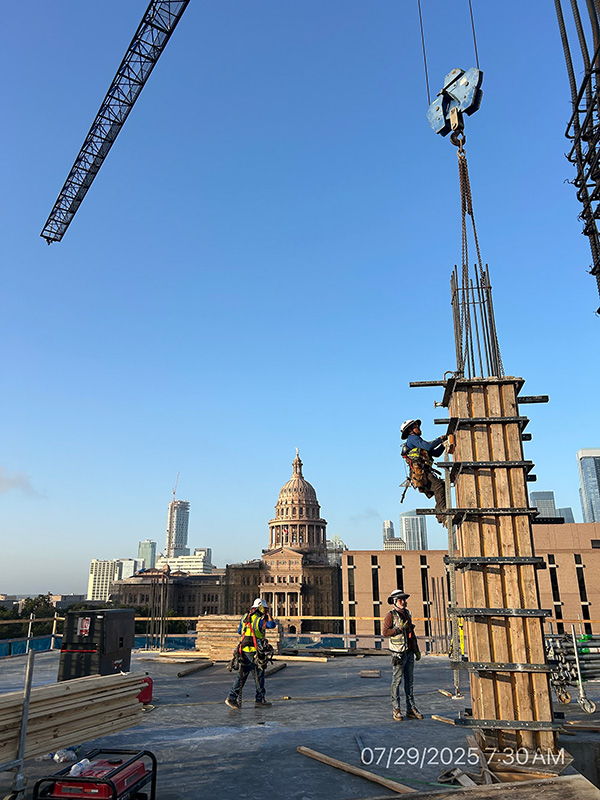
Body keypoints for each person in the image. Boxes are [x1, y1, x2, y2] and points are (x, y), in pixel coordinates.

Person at [225, 598, 276, 709]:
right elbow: (272, 625)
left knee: (242, 675)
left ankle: (232, 697)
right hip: (254, 652)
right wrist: (268, 615)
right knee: (259, 676)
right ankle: (259, 700)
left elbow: (240, 631)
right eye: (264, 609)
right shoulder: (258, 620)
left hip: (243, 650)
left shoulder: (244, 617)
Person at [383, 589, 423, 721]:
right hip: (398, 654)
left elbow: (411, 634)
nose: (404, 602)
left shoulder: (407, 614)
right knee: (397, 681)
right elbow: (385, 632)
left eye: (404, 600)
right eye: (401, 600)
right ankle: (396, 709)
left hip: (409, 652)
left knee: (409, 682)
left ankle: (411, 708)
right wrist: (399, 629)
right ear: (395, 601)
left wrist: (416, 649)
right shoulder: (391, 615)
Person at [401, 418, 448, 524]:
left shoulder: (418, 443)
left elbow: (435, 453)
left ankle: (440, 514)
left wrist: (444, 445)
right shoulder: (412, 439)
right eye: (416, 426)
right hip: (422, 474)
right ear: (410, 430)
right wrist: (440, 439)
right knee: (439, 487)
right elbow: (429, 445)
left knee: (441, 486)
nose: (419, 428)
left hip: (424, 473)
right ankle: (443, 516)